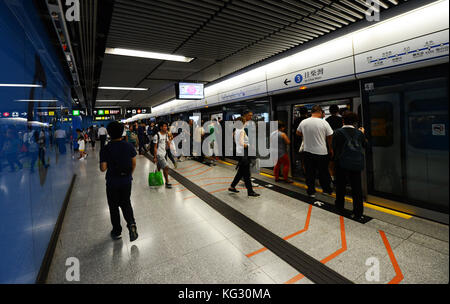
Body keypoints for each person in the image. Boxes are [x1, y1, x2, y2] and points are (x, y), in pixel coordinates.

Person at [100, 121, 138, 242]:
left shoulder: (105, 148)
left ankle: (117, 231)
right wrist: (129, 175)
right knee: (126, 203)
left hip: (112, 182)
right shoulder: (128, 146)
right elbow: (134, 163)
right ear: (122, 132)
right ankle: (131, 224)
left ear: (109, 133)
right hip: (126, 181)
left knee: (113, 207)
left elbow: (103, 168)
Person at [332, 112, 367, 220]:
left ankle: (339, 207)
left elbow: (334, 147)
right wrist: (362, 134)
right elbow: (365, 146)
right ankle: (358, 212)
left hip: (341, 164)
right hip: (356, 164)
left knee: (340, 186)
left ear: (343, 120)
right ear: (355, 122)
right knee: (356, 189)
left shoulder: (337, 133)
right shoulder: (359, 133)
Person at [296, 105, 333, 198]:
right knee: (323, 172)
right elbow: (330, 136)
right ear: (320, 112)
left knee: (309, 172)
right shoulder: (324, 123)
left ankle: (311, 191)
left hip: (307, 151)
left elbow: (298, 133)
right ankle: (326, 190)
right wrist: (331, 149)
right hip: (322, 152)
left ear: (311, 112)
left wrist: (307, 135)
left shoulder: (304, 122)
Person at [228, 115, 260, 197]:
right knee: (246, 174)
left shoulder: (235, 131)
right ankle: (250, 191)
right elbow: (242, 143)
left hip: (239, 153)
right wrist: (249, 146)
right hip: (244, 153)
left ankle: (232, 186)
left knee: (240, 172)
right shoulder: (242, 131)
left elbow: (235, 141)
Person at [326, 105, 344, 184]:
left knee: (331, 162)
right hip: (340, 143)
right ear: (338, 111)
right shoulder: (341, 120)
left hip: (330, 142)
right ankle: (340, 177)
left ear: (329, 111)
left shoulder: (326, 120)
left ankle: (332, 177)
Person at [153, 122, 172, 189]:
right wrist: (155, 157)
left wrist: (171, 146)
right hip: (159, 154)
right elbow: (155, 147)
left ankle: (156, 179)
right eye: (164, 126)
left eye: (166, 126)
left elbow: (167, 143)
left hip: (164, 153)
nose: (165, 127)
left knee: (158, 167)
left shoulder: (166, 135)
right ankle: (167, 182)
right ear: (161, 127)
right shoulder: (157, 135)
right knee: (166, 167)